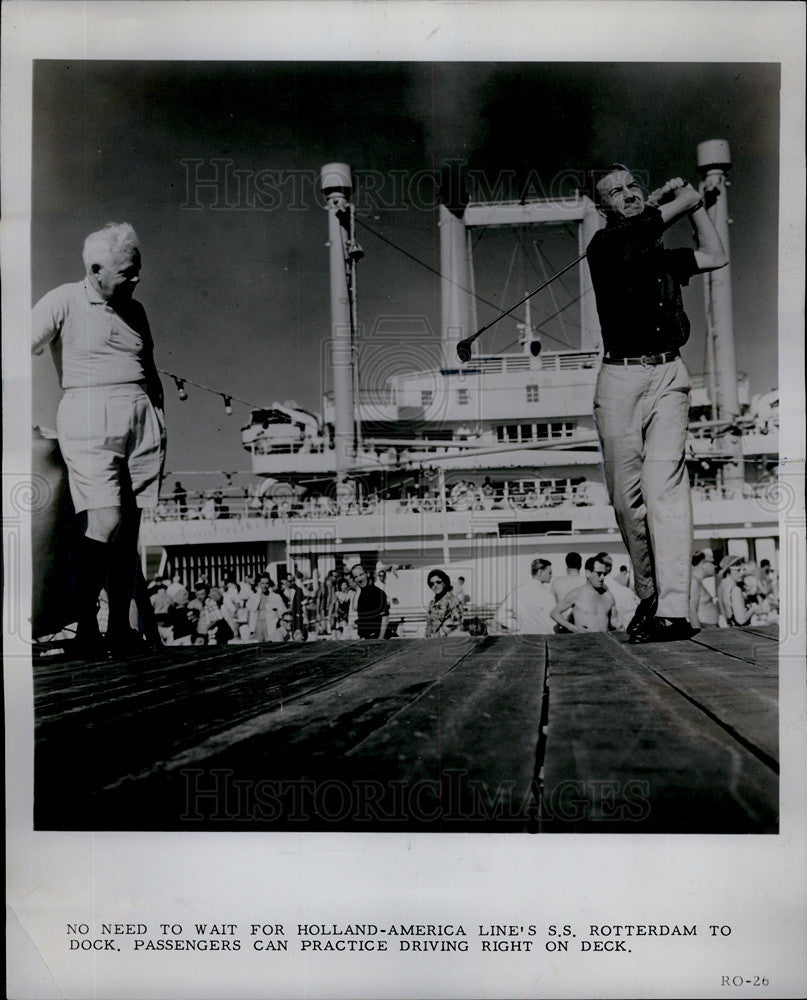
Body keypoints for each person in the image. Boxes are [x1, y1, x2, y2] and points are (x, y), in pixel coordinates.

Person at [587, 166, 727, 643]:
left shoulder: (661, 255)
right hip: (619, 381)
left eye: (632, 187)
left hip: (669, 374)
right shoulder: (604, 247)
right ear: (602, 207)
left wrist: (699, 208)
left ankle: (673, 609)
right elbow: (640, 231)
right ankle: (649, 591)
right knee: (628, 504)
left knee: (664, 488)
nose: (627, 196)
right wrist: (680, 203)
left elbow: (715, 254)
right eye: (615, 193)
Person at [32, 222, 166, 656]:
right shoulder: (63, 300)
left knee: (130, 530)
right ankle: (87, 627)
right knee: (105, 522)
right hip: (89, 413)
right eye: (127, 271)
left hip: (141, 418)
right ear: (95, 269)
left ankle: (120, 631)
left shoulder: (137, 310)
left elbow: (150, 366)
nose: (136, 278)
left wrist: (158, 415)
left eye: (137, 269)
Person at [550, 556, 617, 633]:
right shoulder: (576, 594)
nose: (602, 577)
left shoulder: (608, 595)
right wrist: (573, 628)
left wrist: (620, 624)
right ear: (588, 573)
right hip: (585, 642)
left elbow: (614, 621)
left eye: (604, 574)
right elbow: (554, 613)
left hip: (604, 641)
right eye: (599, 573)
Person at [495, 557, 555, 634]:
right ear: (540, 572)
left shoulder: (516, 592)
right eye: (550, 572)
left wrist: (518, 627)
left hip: (524, 638)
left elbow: (500, 615)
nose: (552, 575)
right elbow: (552, 622)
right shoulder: (546, 593)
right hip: (543, 638)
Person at [348, 564, 390, 639]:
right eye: (356, 577)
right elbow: (355, 608)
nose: (359, 579)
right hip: (363, 638)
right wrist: (358, 590)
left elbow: (385, 618)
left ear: (367, 574)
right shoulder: (359, 592)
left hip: (376, 637)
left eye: (361, 574)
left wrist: (380, 639)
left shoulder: (378, 593)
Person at [425, 569, 466, 637]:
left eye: (438, 582)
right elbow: (429, 624)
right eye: (432, 583)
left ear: (444, 583)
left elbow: (456, 625)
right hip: (433, 642)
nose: (435, 585)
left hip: (448, 641)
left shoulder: (453, 600)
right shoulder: (432, 603)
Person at [247, 573, 287, 642]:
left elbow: (283, 612)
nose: (265, 586)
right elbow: (249, 613)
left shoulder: (276, 597)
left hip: (271, 624)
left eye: (267, 583)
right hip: (258, 625)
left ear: (269, 584)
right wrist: (251, 630)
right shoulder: (254, 597)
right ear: (259, 584)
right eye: (262, 583)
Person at [689, 549, 719, 628]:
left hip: (709, 628)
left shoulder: (698, 582)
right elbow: (692, 612)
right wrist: (700, 635)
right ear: (702, 564)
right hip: (704, 629)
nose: (715, 566)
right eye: (712, 562)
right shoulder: (694, 582)